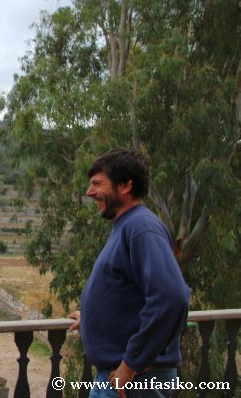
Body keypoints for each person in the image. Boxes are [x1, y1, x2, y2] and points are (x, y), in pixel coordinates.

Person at [68, 148, 190, 398]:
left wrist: (131, 365)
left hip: (134, 380)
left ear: (125, 185)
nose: (90, 192)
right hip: (120, 377)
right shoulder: (128, 225)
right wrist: (93, 318)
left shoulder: (141, 227)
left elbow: (172, 297)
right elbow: (131, 293)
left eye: (97, 184)